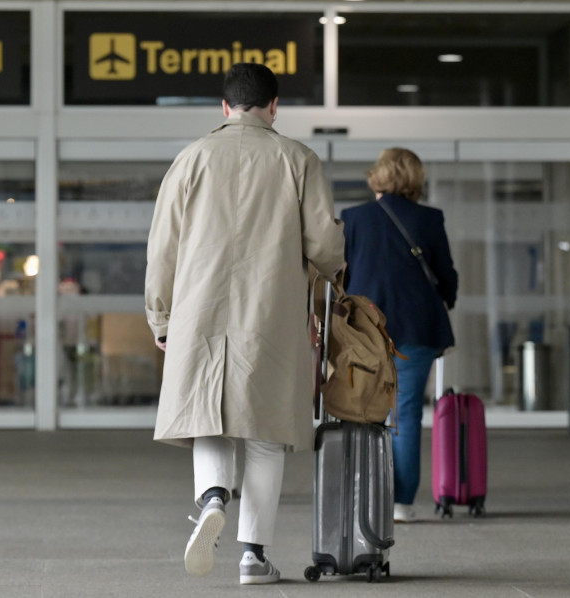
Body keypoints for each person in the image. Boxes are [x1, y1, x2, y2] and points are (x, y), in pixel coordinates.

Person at [144, 63, 344, 585]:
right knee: (266, 433)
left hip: (199, 312)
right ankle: (253, 556)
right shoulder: (297, 159)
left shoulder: (190, 159)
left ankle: (213, 495)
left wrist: (160, 314)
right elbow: (326, 248)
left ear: (224, 106)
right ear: (274, 107)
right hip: (271, 313)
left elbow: (162, 249)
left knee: (206, 416)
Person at [340, 147, 458, 523]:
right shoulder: (429, 218)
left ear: (378, 175)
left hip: (367, 331)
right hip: (417, 328)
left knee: (363, 413)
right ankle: (402, 503)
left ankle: (365, 497)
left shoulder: (354, 219)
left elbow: (343, 274)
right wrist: (445, 300)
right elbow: (446, 274)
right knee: (405, 416)